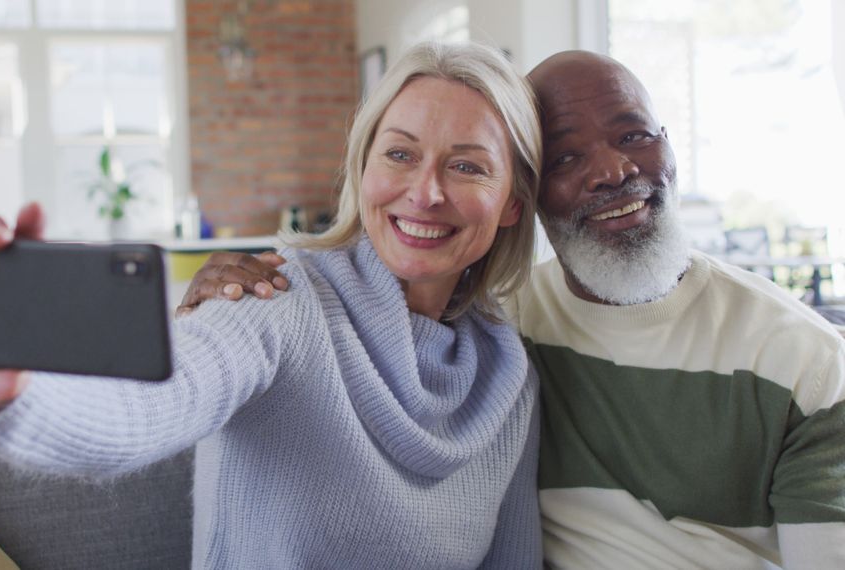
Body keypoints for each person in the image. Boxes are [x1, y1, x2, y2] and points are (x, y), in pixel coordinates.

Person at [180, 50, 845, 568]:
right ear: (525, 198)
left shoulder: (804, 362)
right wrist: (220, 304)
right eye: (567, 155)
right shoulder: (500, 333)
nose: (612, 170)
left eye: (635, 134)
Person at [0, 41, 546, 568]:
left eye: (467, 167)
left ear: (513, 202)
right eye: (399, 154)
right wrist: (7, 392)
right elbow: (149, 404)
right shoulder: (275, 296)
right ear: (361, 171)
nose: (425, 191)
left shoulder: (507, 375)